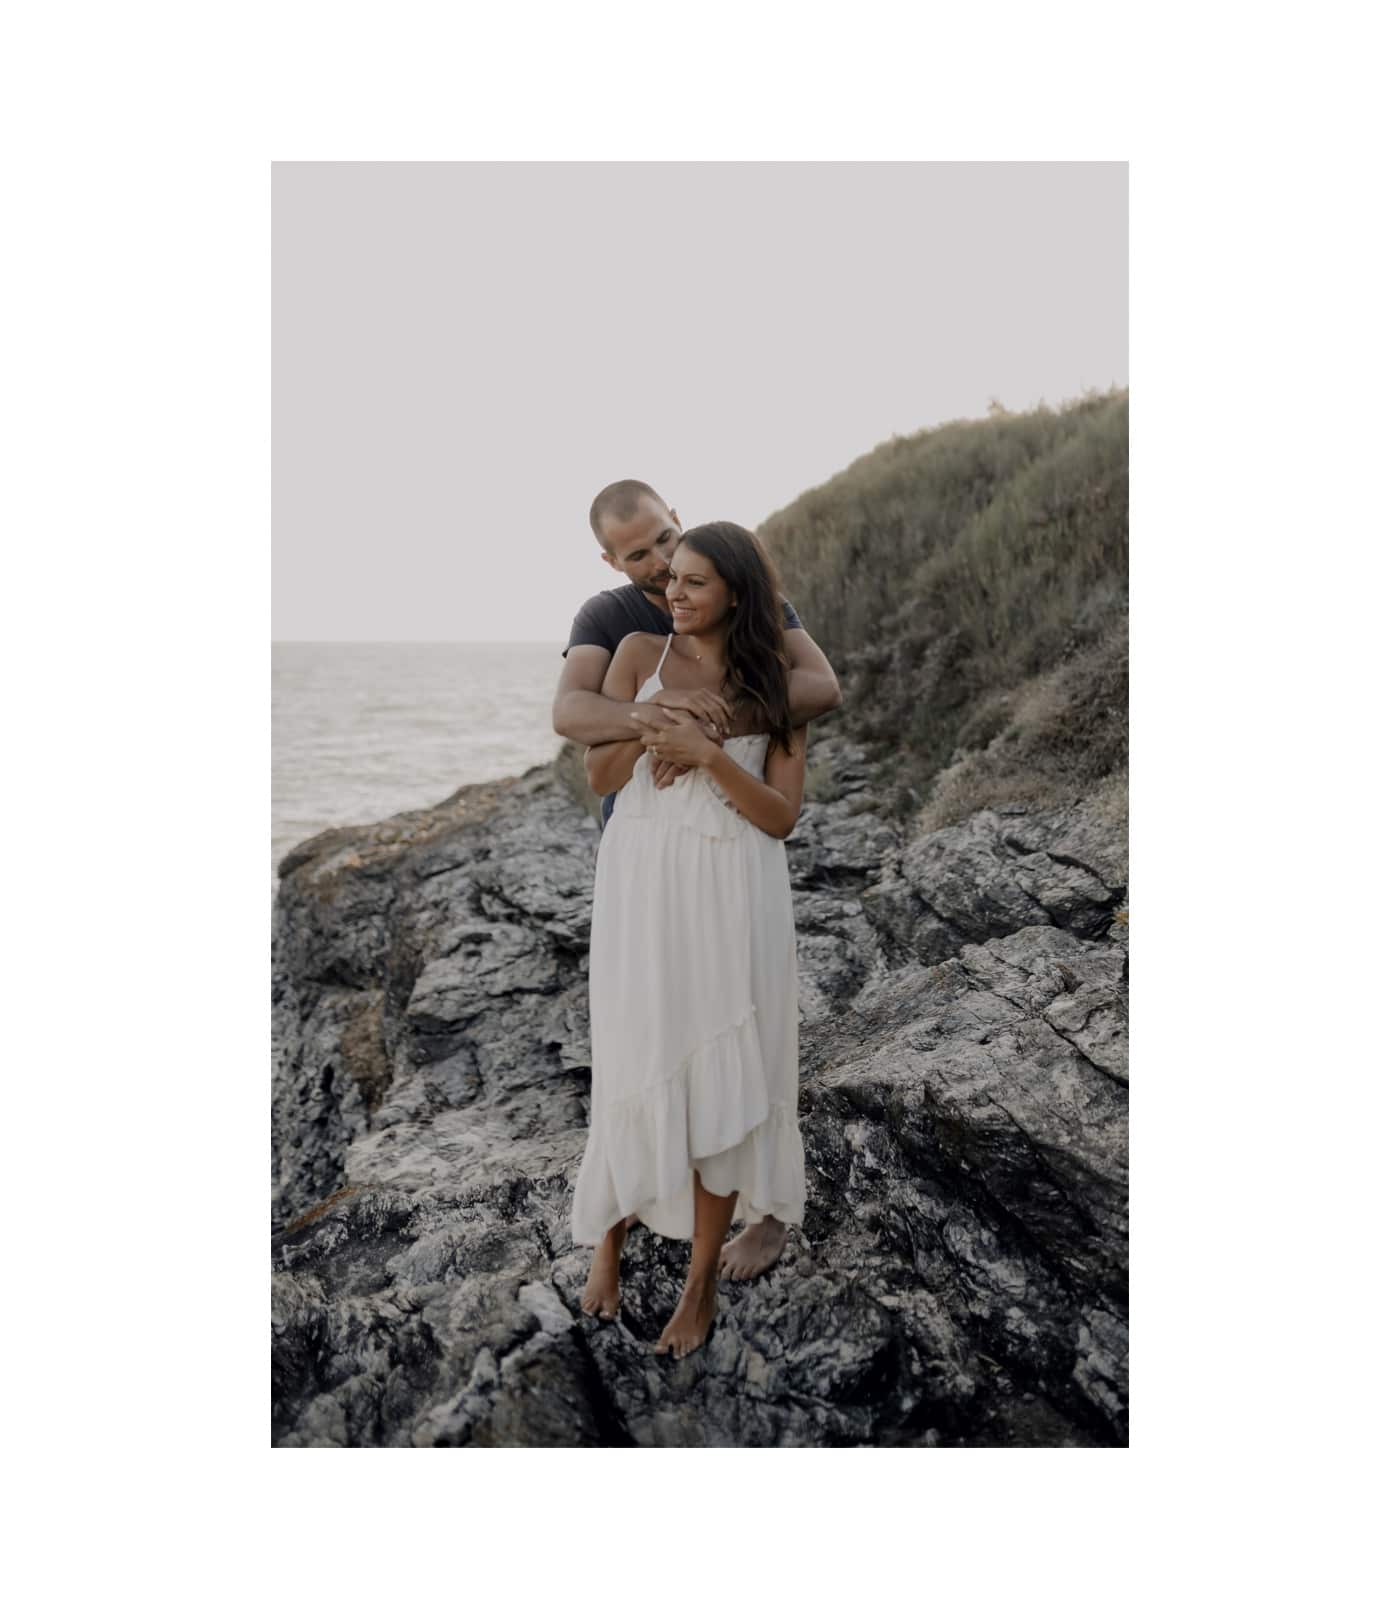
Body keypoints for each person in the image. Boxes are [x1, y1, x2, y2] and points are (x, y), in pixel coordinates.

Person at [554, 479, 840, 1284]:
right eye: (640, 557)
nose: (661, 572)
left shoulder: (758, 615)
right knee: (645, 1036)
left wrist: (715, 721)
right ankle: (631, 1213)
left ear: (678, 525)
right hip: (644, 857)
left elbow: (817, 692)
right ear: (612, 559)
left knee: (737, 1029)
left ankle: (767, 1209)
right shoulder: (618, 628)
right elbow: (575, 719)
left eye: (668, 548)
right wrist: (657, 719)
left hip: (728, 856)